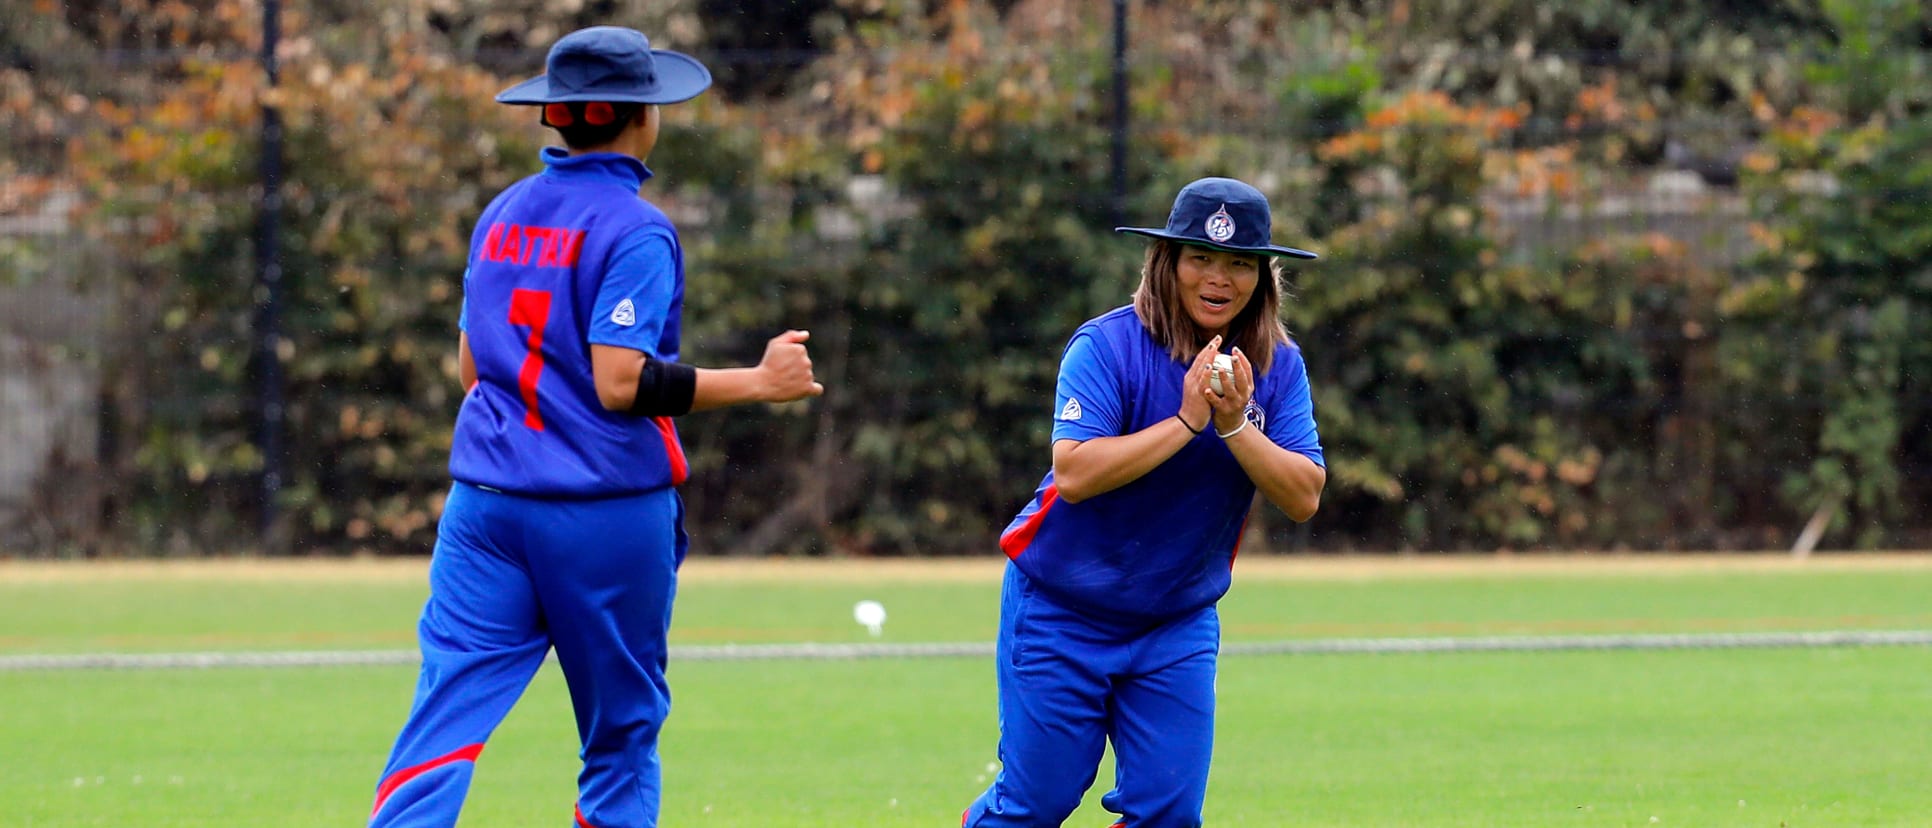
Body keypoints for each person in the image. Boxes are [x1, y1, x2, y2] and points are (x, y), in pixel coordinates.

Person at [366, 26, 822, 828]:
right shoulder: (637, 227)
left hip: (484, 506)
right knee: (620, 735)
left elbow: (473, 370)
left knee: (441, 722)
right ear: (645, 118)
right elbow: (622, 384)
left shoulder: (501, 213)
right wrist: (758, 382)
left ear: (556, 118)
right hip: (601, 512)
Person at [962, 177, 1327, 827]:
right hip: (1060, 609)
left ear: (1263, 277)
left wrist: (1236, 423)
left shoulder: (1277, 366)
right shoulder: (1105, 347)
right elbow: (1073, 472)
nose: (1219, 278)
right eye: (1201, 259)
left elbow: (1303, 495)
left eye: (1240, 263)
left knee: (1170, 814)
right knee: (1035, 805)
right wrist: (1186, 422)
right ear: (1167, 264)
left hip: (1175, 622)